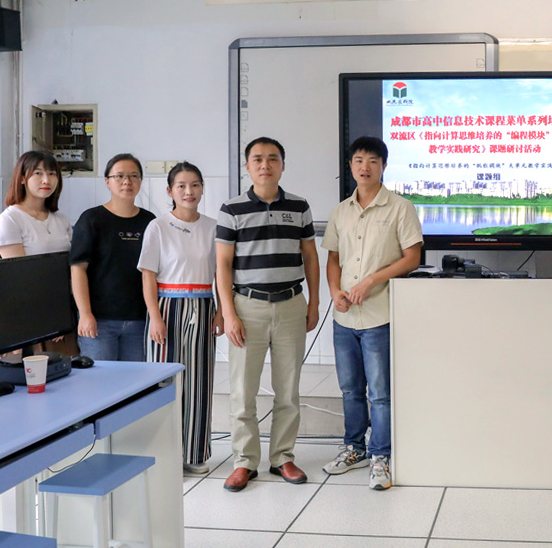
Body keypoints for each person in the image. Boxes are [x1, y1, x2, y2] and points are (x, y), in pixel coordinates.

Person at [216, 137, 320, 492]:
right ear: (247, 166)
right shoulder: (231, 209)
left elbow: (310, 257)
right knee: (242, 391)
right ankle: (244, 462)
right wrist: (229, 313)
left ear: (282, 166)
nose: (265, 165)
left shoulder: (300, 206)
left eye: (273, 158)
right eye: (258, 159)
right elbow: (222, 264)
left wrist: (314, 303)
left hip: (291, 305)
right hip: (248, 307)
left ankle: (282, 458)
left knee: (288, 390)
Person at [321, 136, 423, 491]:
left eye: (373, 161)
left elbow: (413, 258)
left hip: (380, 315)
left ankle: (381, 455)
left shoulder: (400, 208)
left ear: (384, 166)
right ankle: (354, 448)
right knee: (350, 389)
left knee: (380, 392)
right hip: (344, 318)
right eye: (359, 160)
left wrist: (370, 281)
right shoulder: (340, 211)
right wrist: (334, 291)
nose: (365, 167)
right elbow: (333, 258)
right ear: (351, 165)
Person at [139, 162, 223, 475]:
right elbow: (148, 275)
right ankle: (163, 455)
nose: (189, 192)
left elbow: (221, 273)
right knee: (163, 382)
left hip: (203, 306)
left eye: (195, 185)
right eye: (182, 186)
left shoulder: (214, 227)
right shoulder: (158, 226)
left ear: (202, 188)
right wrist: (155, 316)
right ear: (170, 190)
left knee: (199, 381)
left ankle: (195, 453)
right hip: (166, 307)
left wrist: (221, 311)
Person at [70, 153, 155, 362]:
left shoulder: (149, 221)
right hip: (100, 320)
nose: (127, 181)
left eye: (134, 176)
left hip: (139, 320)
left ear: (140, 181)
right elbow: (78, 268)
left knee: (136, 380)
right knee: (100, 379)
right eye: (119, 176)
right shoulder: (92, 219)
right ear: (107, 181)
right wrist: (85, 313)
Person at [0, 151, 71, 257]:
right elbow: (16, 266)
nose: (46, 181)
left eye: (52, 174)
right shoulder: (9, 219)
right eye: (38, 173)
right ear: (22, 178)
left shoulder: (61, 218)